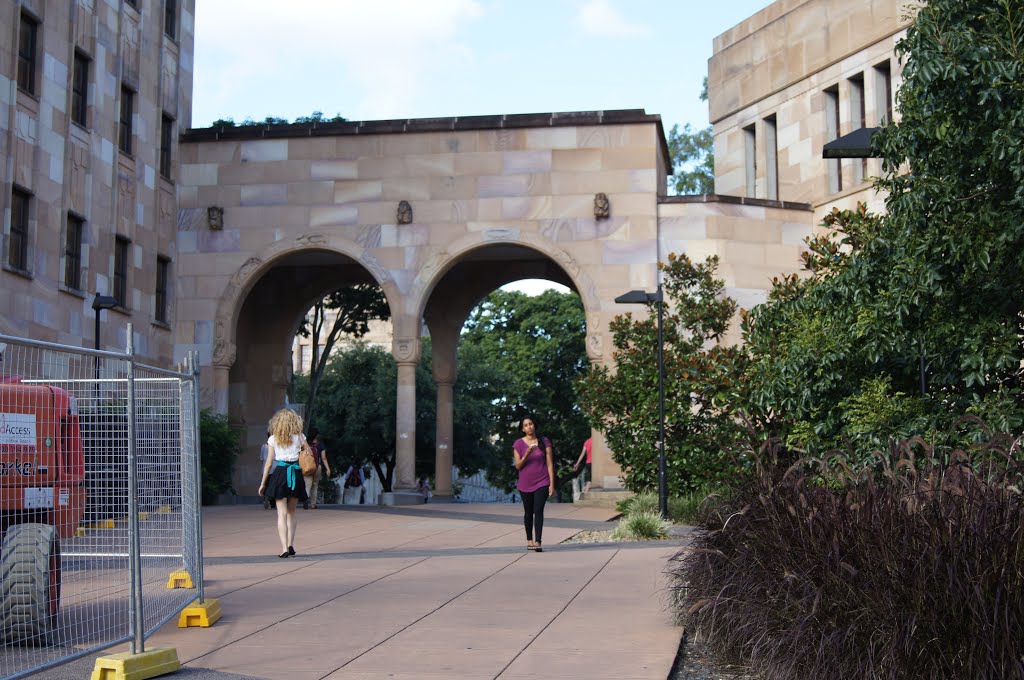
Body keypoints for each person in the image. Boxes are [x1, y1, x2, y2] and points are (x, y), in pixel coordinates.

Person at [258, 408, 309, 558]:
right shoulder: (300, 436)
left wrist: (262, 483)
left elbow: (268, 463)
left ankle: (283, 548)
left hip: (280, 473)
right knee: (292, 512)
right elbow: (309, 453)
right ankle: (291, 545)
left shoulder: (273, 439)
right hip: (295, 473)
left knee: (281, 513)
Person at [512, 415, 556, 552]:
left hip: (542, 481)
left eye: (530, 424)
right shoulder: (518, 444)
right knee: (528, 512)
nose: (529, 427)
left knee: (538, 510)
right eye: (525, 425)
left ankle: (538, 541)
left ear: (534, 425)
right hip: (525, 483)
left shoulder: (544, 441)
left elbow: (549, 464)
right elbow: (518, 466)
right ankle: (529, 540)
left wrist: (552, 484)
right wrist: (527, 453)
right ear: (523, 429)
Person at [303, 427, 332, 509]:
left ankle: (306, 499)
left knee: (307, 485)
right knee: (315, 485)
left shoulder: (305, 443)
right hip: (317, 466)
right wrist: (328, 469)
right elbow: (324, 458)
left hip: (307, 466)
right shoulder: (320, 444)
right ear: (317, 435)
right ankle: (313, 504)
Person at [259, 430, 273, 509]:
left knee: (265, 484)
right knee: (273, 485)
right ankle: (271, 500)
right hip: (275, 468)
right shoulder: (277, 446)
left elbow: (261, 458)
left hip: (265, 469)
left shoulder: (264, 446)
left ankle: (266, 497)